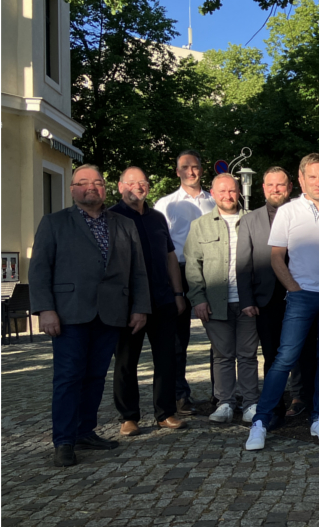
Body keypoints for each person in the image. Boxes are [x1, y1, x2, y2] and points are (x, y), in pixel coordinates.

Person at [30, 165, 150, 467]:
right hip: (69, 313)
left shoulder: (124, 224)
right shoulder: (54, 223)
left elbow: (138, 270)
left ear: (105, 190)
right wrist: (45, 309)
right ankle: (64, 441)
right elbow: (40, 269)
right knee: (68, 377)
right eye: (83, 183)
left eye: (97, 183)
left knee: (96, 376)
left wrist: (140, 307)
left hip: (111, 312)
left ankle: (85, 431)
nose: (91, 188)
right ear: (73, 190)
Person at [245, 154, 319, 451]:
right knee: (285, 358)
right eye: (313, 177)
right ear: (301, 179)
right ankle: (261, 421)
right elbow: (276, 257)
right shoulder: (289, 212)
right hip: (302, 295)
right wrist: (294, 287)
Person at [110, 167, 187, 436]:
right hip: (128, 304)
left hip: (163, 299)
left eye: (142, 182)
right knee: (126, 361)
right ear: (120, 187)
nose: (138, 187)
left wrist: (178, 294)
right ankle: (128, 416)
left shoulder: (157, 218)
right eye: (131, 183)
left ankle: (165, 413)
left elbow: (170, 257)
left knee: (166, 359)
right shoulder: (111, 217)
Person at [185, 174, 260, 424]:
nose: (227, 196)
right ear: (213, 193)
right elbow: (193, 267)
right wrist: (198, 299)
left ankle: (250, 403)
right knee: (223, 355)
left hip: (248, 302)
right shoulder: (200, 225)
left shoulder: (252, 221)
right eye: (222, 191)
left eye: (232, 191)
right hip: (215, 303)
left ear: (238, 191)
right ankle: (225, 402)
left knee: (248, 355)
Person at [154, 150, 216, 415]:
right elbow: (162, 247)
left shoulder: (215, 201)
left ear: (202, 169)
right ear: (177, 171)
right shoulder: (165, 204)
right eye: (185, 167)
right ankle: (180, 395)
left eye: (195, 167)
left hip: (212, 271)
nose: (191, 172)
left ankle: (220, 394)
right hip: (177, 271)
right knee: (177, 340)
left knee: (219, 335)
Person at [236, 166, 294, 425]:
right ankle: (274, 409)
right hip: (266, 299)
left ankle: (306, 403)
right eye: (270, 185)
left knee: (304, 354)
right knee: (272, 356)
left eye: (280, 185)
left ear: (289, 187)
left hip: (300, 295)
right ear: (262, 188)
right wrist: (247, 300)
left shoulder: (299, 213)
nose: (275, 189)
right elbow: (243, 263)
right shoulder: (250, 220)